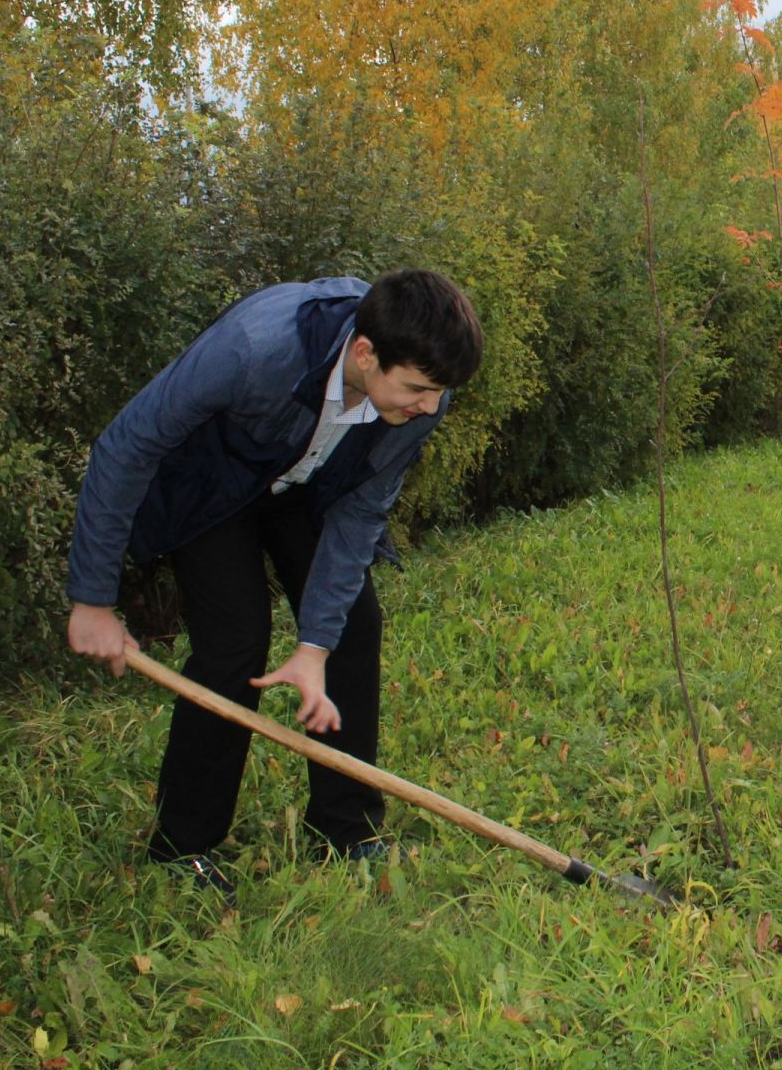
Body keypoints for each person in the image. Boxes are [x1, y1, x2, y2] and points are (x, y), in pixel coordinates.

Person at [65, 270, 484, 899]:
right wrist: (92, 599)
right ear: (365, 354)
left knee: (353, 625)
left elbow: (360, 515)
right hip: (213, 484)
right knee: (235, 640)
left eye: (437, 393)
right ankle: (184, 850)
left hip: (306, 484)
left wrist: (314, 647)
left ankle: (346, 832)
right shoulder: (254, 348)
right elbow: (128, 445)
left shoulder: (425, 396)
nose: (428, 408)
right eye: (417, 390)